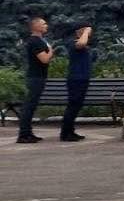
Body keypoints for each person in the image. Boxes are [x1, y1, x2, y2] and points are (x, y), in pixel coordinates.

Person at [16, 16, 53, 144]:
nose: (46, 25)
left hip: (38, 77)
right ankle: (23, 135)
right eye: (43, 24)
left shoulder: (39, 40)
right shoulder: (35, 41)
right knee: (29, 106)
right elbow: (45, 59)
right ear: (36, 26)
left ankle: (28, 133)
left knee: (31, 106)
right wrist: (51, 51)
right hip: (35, 77)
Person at [60, 23, 96, 142]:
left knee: (76, 106)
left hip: (82, 79)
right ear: (78, 32)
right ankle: (65, 133)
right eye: (86, 31)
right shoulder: (74, 43)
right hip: (76, 79)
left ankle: (71, 131)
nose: (89, 33)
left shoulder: (83, 45)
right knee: (73, 106)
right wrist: (86, 31)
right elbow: (81, 43)